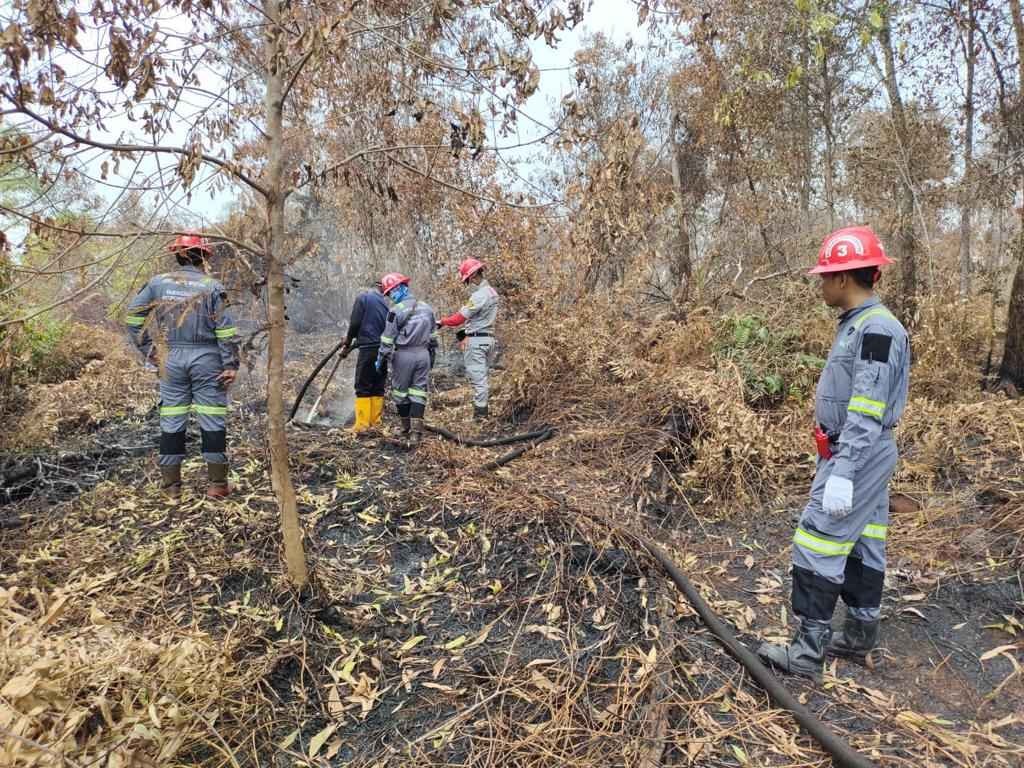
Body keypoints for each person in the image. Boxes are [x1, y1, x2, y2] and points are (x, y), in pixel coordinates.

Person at [757, 225, 910, 681]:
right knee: (865, 541)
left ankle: (807, 651)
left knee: (817, 538)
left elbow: (867, 405)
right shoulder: (860, 325)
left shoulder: (876, 329)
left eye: (825, 276)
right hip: (856, 452)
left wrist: (843, 469)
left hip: (856, 453)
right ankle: (860, 636)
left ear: (843, 279)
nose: (821, 284)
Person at [126, 233, 240, 499]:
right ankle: (217, 485)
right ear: (204, 258)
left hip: (171, 360)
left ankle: (172, 488)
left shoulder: (157, 284)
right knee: (211, 418)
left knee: (172, 419)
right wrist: (230, 363)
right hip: (207, 360)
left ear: (177, 255)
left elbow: (133, 319)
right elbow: (225, 330)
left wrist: (151, 352)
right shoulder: (213, 286)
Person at [377, 273, 438, 448]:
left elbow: (387, 339)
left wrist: (381, 359)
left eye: (390, 293)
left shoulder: (395, 311)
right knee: (419, 391)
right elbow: (434, 338)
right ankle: (416, 434)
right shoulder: (427, 307)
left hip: (404, 355)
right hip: (423, 354)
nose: (390, 297)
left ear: (399, 288)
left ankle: (406, 429)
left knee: (400, 393)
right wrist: (431, 357)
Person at [437, 258, 499, 419]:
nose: (468, 282)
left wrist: (442, 321)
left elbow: (458, 319)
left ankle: (481, 418)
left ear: (471, 276)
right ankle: (482, 412)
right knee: (482, 377)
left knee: (479, 380)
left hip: (477, 342)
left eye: (467, 279)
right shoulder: (492, 292)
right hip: (488, 339)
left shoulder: (479, 295)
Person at [339, 281, 391, 433]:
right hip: (382, 348)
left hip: (368, 348)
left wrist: (348, 341)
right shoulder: (384, 302)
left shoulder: (363, 297)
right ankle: (375, 423)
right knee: (377, 384)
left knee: (363, 385)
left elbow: (355, 323)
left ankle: (361, 425)